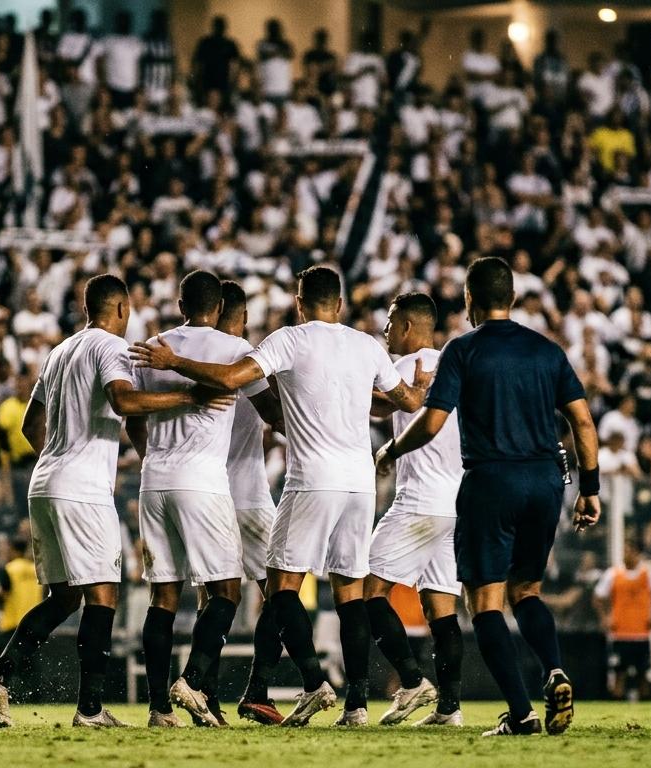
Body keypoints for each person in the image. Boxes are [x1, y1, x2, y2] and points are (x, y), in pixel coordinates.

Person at [131, 265, 431, 727]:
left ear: (298, 300)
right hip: (360, 482)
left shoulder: (288, 340)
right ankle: (357, 707)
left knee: (281, 585)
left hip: (311, 479)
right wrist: (418, 390)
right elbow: (407, 402)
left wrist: (176, 363)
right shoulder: (367, 344)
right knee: (349, 590)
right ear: (341, 304)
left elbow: (232, 379)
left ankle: (312, 684)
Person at [0, 274, 232, 729]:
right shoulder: (110, 347)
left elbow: (31, 426)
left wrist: (62, 455)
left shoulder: (59, 352)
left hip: (45, 482)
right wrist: (189, 396)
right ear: (121, 308)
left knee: (65, 596)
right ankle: (90, 710)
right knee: (103, 594)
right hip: (81, 490)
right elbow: (123, 400)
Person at [377, 257, 601, 737]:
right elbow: (582, 422)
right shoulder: (547, 350)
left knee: (485, 603)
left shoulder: (463, 350)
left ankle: (520, 715)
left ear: (469, 300)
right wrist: (591, 488)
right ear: (513, 298)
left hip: (490, 481)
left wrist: (392, 448)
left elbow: (432, 422)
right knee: (528, 591)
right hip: (546, 482)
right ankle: (555, 669)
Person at [125, 271, 276, 728]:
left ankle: (158, 710)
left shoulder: (152, 347)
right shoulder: (234, 351)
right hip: (202, 481)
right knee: (226, 590)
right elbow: (273, 413)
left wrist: (149, 455)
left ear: (179, 302)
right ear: (221, 309)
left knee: (163, 595)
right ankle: (191, 680)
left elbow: (131, 410)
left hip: (153, 481)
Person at [363, 293, 466, 727]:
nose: (385, 331)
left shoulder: (405, 368)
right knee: (441, 607)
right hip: (456, 502)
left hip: (420, 499)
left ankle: (411, 680)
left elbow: (366, 402)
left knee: (365, 588)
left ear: (406, 326)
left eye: (389, 322)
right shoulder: (453, 367)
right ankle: (450, 709)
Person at [216, 279, 288, 726]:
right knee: (281, 593)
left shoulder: (185, 350)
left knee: (214, 597)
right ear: (240, 316)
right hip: (248, 496)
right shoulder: (246, 355)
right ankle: (258, 689)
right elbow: (277, 416)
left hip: (205, 493)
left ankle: (192, 692)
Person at [594, 539, 651, 702]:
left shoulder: (648, 573)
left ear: (636, 552)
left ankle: (646, 713)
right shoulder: (613, 574)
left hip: (641, 634)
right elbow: (598, 597)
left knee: (643, 675)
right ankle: (616, 714)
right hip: (620, 634)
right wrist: (605, 617)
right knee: (619, 675)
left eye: (628, 551)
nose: (624, 554)